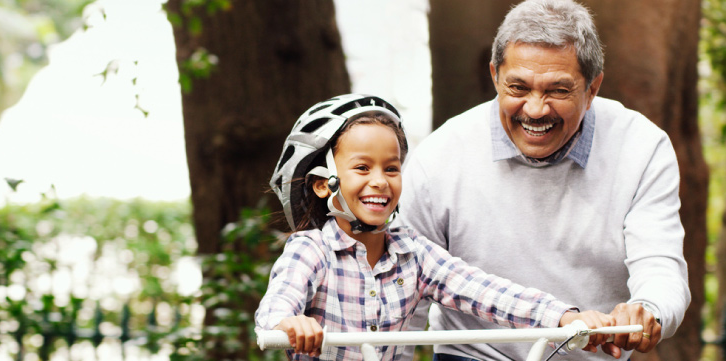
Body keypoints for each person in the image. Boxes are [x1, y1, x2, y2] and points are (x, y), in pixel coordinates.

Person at [398, 0, 691, 360]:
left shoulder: (641, 147)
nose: (535, 110)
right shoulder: (440, 155)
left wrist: (649, 309)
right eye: (518, 88)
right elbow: (404, 286)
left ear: (593, 88)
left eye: (558, 90)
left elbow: (661, 264)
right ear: (495, 76)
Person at [255, 94, 616, 360]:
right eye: (363, 168)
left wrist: (567, 316)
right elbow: (275, 306)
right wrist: (288, 322)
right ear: (323, 183)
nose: (380, 181)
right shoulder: (310, 250)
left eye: (391, 168)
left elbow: (486, 291)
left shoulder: (413, 254)